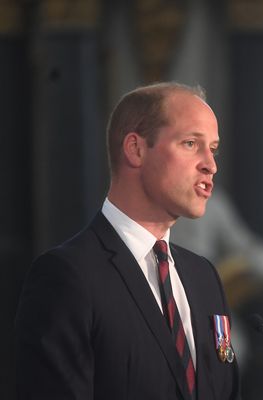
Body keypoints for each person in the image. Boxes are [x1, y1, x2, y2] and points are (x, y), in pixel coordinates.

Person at [15, 82, 241, 400]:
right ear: (135, 149)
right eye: (191, 143)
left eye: (213, 149)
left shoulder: (204, 277)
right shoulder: (67, 275)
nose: (210, 164)